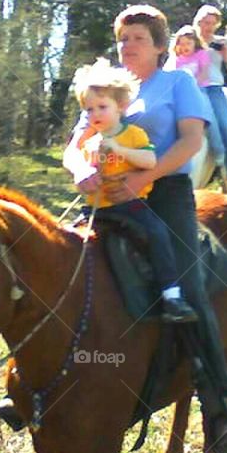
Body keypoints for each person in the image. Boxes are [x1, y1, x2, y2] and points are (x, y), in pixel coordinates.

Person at [63, 4, 227, 453]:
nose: (128, 46)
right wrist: (78, 172)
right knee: (60, 265)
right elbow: (74, 144)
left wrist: (145, 178)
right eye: (123, 38)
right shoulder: (104, 87)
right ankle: (36, 382)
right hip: (106, 197)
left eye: (138, 39)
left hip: (165, 194)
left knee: (188, 285)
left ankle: (219, 410)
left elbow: (191, 140)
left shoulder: (178, 83)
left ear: (161, 45)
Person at [72, 57, 198, 324]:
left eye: (102, 107)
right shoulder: (90, 143)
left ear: (121, 106)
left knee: (157, 233)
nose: (95, 114)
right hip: (99, 209)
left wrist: (119, 150)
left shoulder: (134, 134)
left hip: (132, 206)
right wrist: (86, 173)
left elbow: (149, 161)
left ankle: (171, 294)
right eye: (89, 109)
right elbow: (82, 171)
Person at [194, 5, 227, 201]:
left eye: (212, 24)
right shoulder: (188, 39)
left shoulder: (220, 43)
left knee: (225, 126)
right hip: (189, 87)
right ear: (198, 21)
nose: (208, 27)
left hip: (213, 88)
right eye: (205, 22)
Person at [172, 25, 226, 169]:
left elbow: (204, 73)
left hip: (200, 90)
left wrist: (192, 86)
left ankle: (219, 151)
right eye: (181, 44)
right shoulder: (178, 60)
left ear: (195, 43)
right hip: (182, 93)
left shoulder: (201, 54)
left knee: (210, 118)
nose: (185, 47)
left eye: (188, 43)